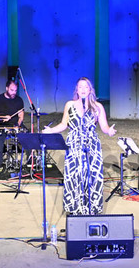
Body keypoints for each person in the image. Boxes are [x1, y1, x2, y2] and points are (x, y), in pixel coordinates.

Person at [42, 77, 116, 215]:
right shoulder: (69, 105)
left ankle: (91, 208)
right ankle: (74, 208)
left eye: (86, 87)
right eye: (80, 87)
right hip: (74, 143)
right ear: (76, 89)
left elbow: (104, 126)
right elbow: (64, 124)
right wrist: (51, 130)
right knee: (74, 175)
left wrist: (109, 131)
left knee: (91, 176)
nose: (83, 89)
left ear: (90, 90)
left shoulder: (97, 106)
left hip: (91, 144)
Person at [0, 79, 25, 173]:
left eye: (15, 90)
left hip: (14, 124)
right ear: (6, 88)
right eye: (12, 90)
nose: (14, 92)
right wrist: (3, 117)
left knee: (26, 136)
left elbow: (21, 116)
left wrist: (18, 125)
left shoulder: (19, 100)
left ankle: (29, 162)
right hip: (1, 125)